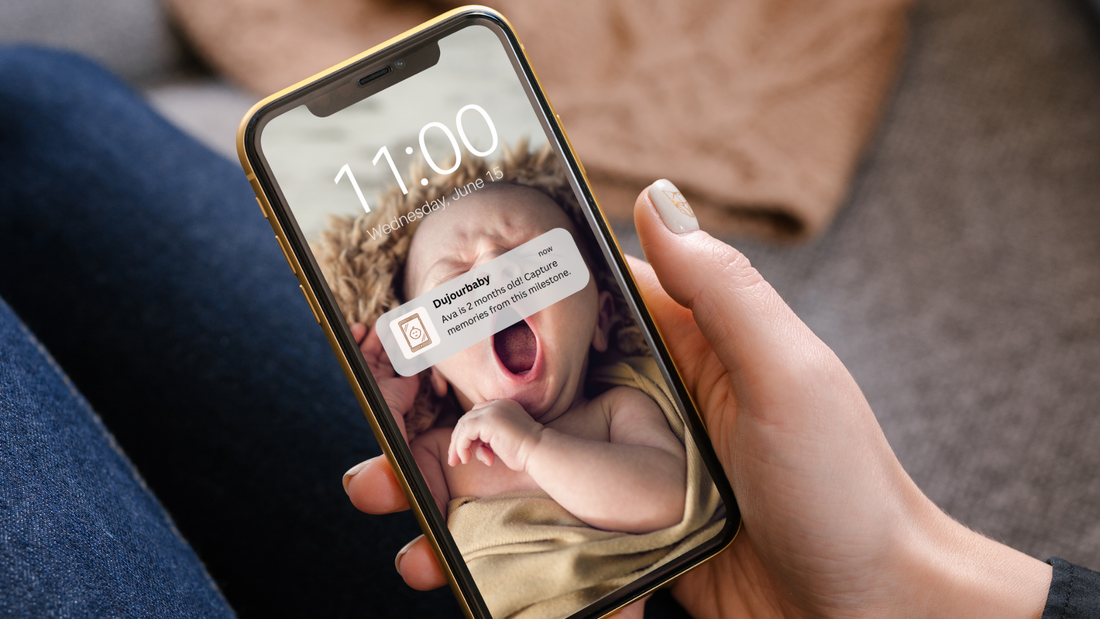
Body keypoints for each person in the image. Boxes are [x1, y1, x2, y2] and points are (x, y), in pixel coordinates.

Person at [3, 47, 1099, 618]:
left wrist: (535, 452)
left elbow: (657, 502)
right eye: (453, 281)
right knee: (34, 100)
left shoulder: (618, 409)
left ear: (587, 308)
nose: (484, 268)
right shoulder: (446, 421)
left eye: (519, 254)